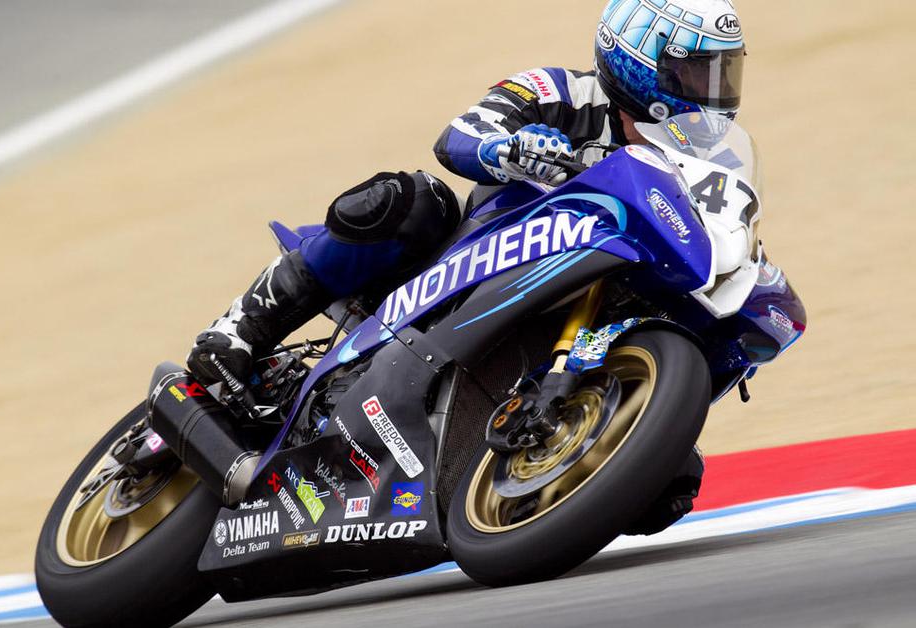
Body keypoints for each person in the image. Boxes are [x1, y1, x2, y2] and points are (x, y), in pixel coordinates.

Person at [187, 0, 745, 533]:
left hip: (584, 302)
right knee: (412, 199)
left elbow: (728, 227)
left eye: (724, 72)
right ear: (639, 59)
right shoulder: (560, 91)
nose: (714, 91)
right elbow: (457, 137)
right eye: (697, 72)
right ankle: (238, 330)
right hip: (475, 259)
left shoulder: (704, 163)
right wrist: (508, 150)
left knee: (672, 481)